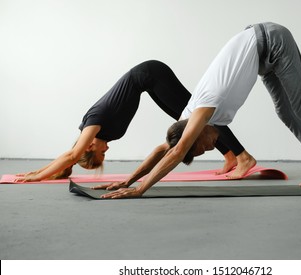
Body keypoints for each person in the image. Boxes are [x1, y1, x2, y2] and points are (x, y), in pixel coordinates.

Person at [101, 22, 301, 199]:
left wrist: (140, 191)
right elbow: (164, 148)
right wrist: (128, 181)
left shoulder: (204, 108)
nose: (210, 149)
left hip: (271, 41)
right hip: (261, 53)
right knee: (287, 113)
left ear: (193, 135)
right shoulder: (187, 117)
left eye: (200, 148)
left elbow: (176, 151)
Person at [16, 60, 246, 183]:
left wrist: (36, 176)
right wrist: (41, 170)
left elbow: (72, 155)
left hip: (150, 73)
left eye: (101, 153)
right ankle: (229, 155)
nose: (107, 149)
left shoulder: (93, 123)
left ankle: (241, 156)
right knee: (188, 120)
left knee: (200, 115)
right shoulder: (101, 132)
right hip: (148, 82)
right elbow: (69, 158)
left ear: (89, 146)